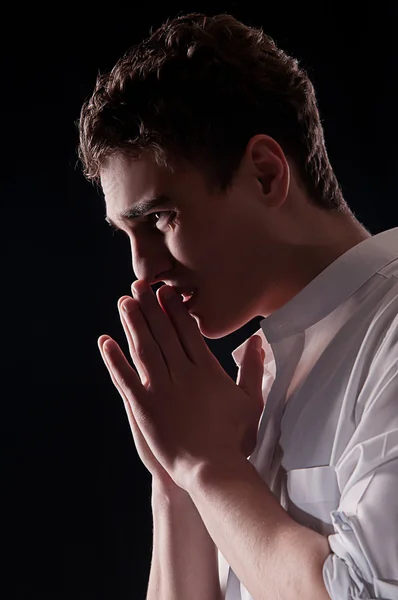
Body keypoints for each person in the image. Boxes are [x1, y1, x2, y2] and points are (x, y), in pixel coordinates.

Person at [78, 12, 398, 600]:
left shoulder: (391, 334)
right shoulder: (253, 378)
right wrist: (177, 482)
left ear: (265, 174)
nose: (142, 271)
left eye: (161, 218)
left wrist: (209, 468)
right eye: (127, 237)